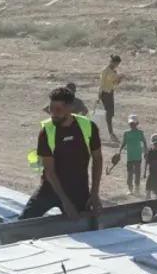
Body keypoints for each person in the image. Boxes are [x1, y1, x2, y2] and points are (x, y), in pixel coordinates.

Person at [20, 86, 102, 220]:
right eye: (51, 109)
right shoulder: (46, 131)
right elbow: (49, 171)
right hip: (50, 188)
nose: (53, 114)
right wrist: (65, 202)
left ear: (70, 108)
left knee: (82, 228)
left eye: (58, 110)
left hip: (78, 189)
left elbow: (98, 159)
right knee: (23, 223)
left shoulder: (88, 127)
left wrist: (94, 193)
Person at [119, 113, 146, 195]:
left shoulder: (140, 133)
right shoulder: (126, 133)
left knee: (137, 174)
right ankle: (130, 190)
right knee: (129, 174)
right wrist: (119, 151)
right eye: (130, 123)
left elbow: (144, 142)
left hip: (138, 156)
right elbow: (124, 142)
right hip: (129, 157)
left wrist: (146, 151)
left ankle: (137, 189)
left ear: (137, 123)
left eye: (133, 123)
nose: (131, 125)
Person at [98, 54, 123, 141]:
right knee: (109, 112)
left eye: (118, 64)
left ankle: (110, 132)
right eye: (116, 64)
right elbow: (101, 83)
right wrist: (99, 94)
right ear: (113, 62)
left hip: (110, 92)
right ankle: (110, 133)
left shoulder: (113, 71)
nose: (117, 66)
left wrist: (119, 79)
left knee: (111, 113)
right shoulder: (105, 70)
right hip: (105, 93)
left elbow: (114, 83)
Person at [144, 133, 157, 197]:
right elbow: (146, 162)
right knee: (148, 187)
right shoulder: (150, 151)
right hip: (152, 171)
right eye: (155, 143)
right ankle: (148, 198)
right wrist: (144, 172)